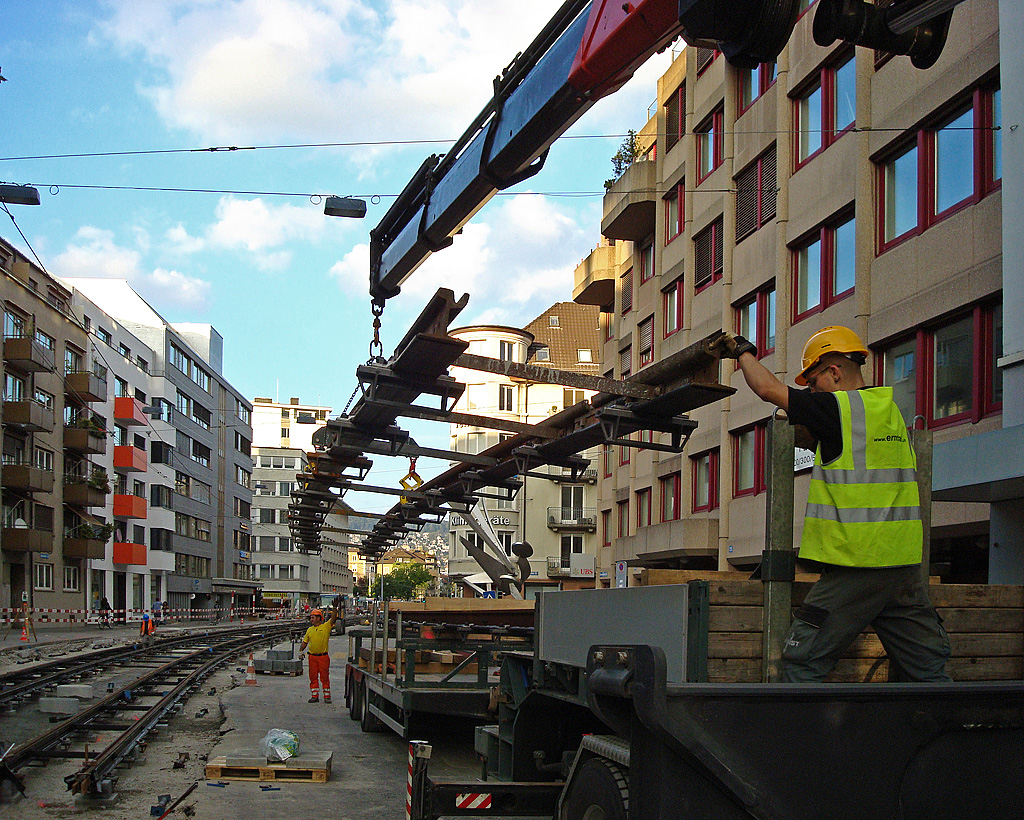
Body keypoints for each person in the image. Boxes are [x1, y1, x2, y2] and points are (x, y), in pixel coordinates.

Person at [720, 325, 951, 683]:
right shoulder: (889, 412)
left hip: (858, 562)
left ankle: (804, 740)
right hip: (903, 564)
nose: (810, 392)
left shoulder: (839, 409)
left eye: (812, 382)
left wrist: (742, 352)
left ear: (834, 372)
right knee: (928, 670)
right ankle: (947, 734)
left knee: (802, 662)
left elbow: (767, 389)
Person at [299, 601, 339, 703]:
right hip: (312, 657)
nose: (311, 619)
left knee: (324, 676)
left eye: (313, 617)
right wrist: (300, 650)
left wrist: (335, 608)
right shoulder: (309, 630)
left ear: (318, 618)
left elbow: (333, 619)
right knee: (313, 676)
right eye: (311, 617)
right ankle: (314, 696)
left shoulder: (325, 627)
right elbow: (305, 642)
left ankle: (327, 696)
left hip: (323, 657)